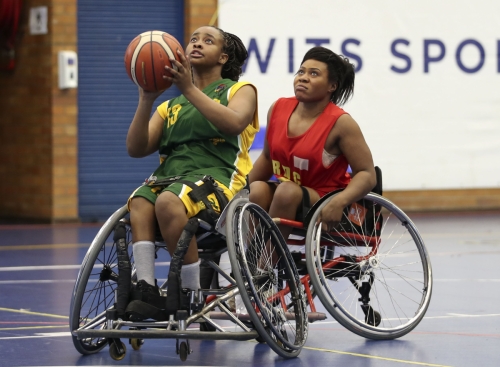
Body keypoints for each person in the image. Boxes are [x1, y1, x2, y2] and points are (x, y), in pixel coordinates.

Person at [125, 26, 258, 320]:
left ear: (223, 57)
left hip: (219, 182)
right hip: (171, 179)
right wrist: (146, 98)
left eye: (207, 41)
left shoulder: (239, 90)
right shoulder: (170, 106)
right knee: (139, 200)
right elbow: (136, 148)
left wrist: (189, 89)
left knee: (168, 201)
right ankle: (146, 287)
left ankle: (189, 293)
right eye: (193, 39)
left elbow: (234, 123)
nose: (197, 43)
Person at [249, 46, 375, 241]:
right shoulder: (278, 107)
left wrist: (340, 201)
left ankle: (264, 265)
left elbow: (367, 174)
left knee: (286, 191)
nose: (303, 77)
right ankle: (249, 260)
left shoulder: (341, 123)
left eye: (314, 73)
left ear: (331, 86)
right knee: (256, 189)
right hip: (288, 195)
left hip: (326, 200)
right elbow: (267, 158)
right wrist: (239, 191)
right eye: (301, 71)